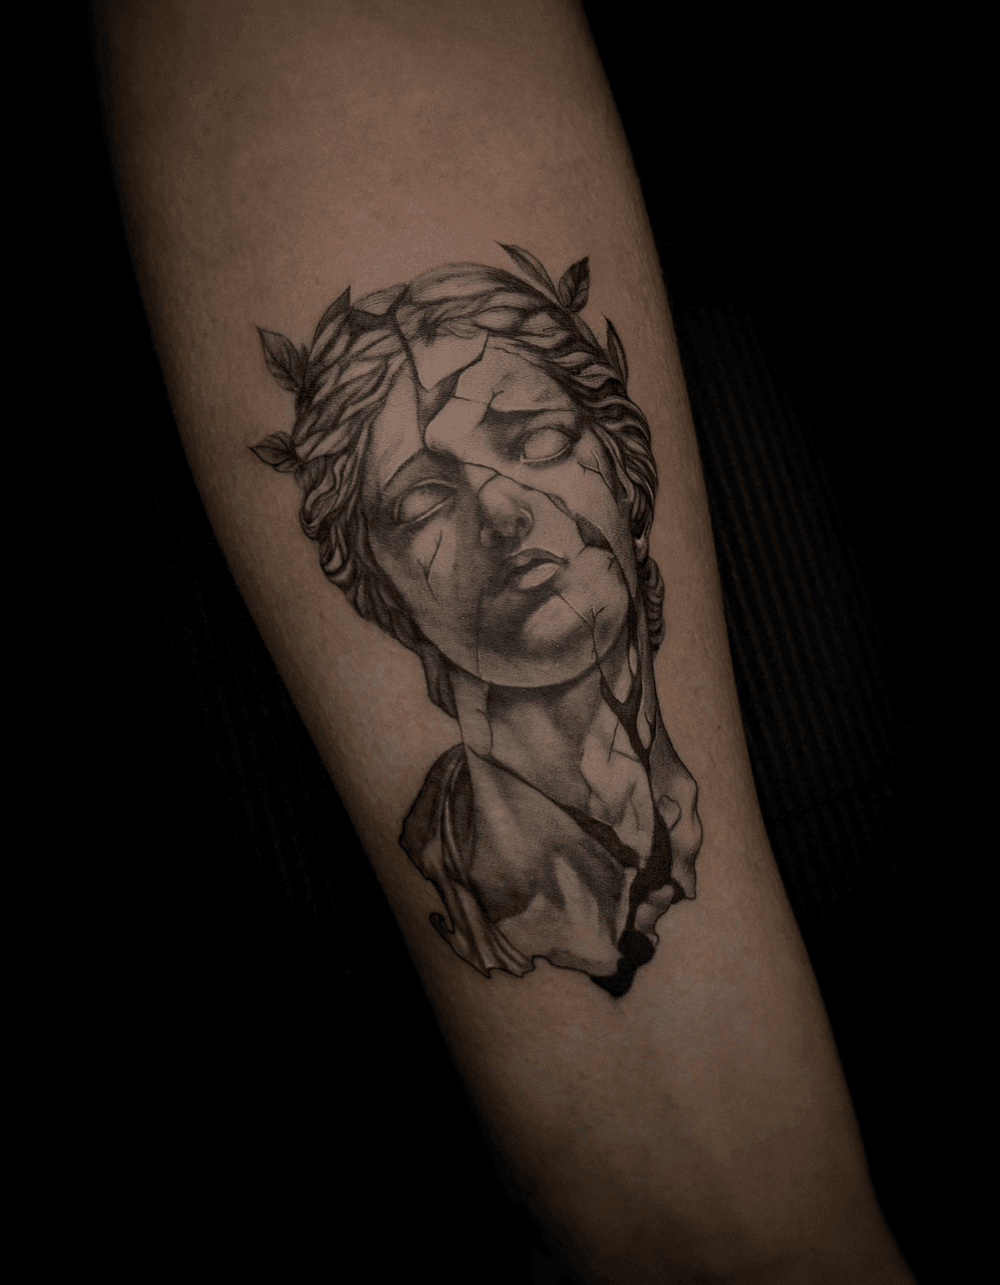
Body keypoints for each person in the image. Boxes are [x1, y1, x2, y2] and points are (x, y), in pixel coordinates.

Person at [252, 255, 702, 996]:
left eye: (540, 442)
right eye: (423, 501)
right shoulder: (452, 869)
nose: (501, 512)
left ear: (625, 477)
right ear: (382, 589)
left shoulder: (699, 798)